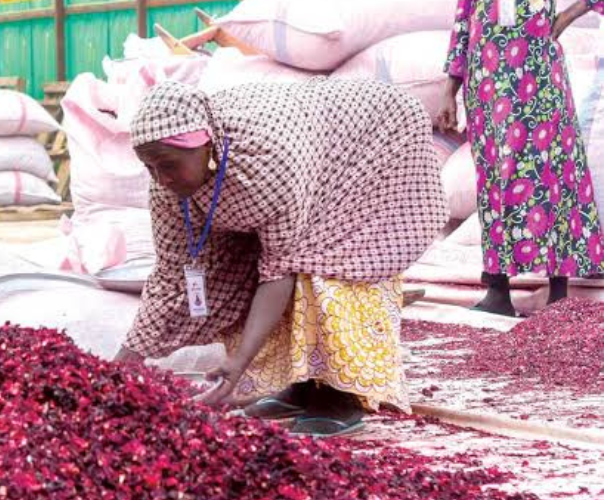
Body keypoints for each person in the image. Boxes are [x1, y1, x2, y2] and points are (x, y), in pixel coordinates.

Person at [114, 79, 448, 437]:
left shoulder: (265, 165)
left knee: (323, 262)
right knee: (235, 271)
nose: (160, 179)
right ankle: (305, 384)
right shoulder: (167, 188)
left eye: (167, 165)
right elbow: (171, 275)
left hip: (374, 138)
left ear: (206, 146)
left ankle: (341, 394)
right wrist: (117, 368)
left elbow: (279, 271)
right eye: (150, 168)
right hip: (306, 146)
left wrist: (239, 363)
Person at [437, 0, 604, 317]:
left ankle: (559, 294)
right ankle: (498, 291)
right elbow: (463, 18)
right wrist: (450, 89)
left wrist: (568, 15)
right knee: (496, 179)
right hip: (487, 79)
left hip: (540, 74)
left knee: (554, 173)